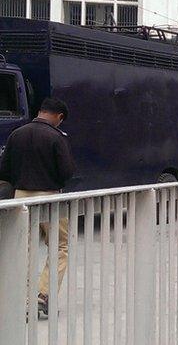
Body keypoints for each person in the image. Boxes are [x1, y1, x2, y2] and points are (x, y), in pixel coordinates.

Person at [0, 97, 75, 317]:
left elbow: (3, 170)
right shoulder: (57, 137)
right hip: (49, 197)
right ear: (59, 117)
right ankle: (43, 295)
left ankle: (22, 298)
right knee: (60, 246)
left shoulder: (17, 134)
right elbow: (67, 172)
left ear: (40, 111)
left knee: (24, 247)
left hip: (21, 197)